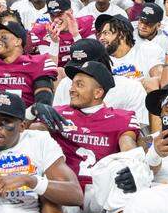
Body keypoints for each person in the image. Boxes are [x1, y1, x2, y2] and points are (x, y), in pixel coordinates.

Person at [40, 60, 140, 201]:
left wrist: (133, 169)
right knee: (47, 200)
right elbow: (30, 134)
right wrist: (33, 113)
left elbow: (129, 149)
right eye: (72, 84)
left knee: (125, 200)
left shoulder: (122, 118)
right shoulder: (57, 113)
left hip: (103, 192)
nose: (72, 89)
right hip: (65, 191)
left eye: (79, 85)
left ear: (98, 93)